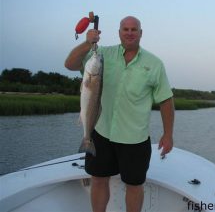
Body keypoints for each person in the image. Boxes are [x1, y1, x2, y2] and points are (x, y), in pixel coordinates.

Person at [65, 16, 174, 212]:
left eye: (134, 29)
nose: (129, 33)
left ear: (140, 33)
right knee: (98, 180)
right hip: (101, 131)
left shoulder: (155, 64)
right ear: (119, 33)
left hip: (135, 138)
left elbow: (166, 100)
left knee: (134, 186)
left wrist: (168, 134)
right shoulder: (101, 55)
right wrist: (87, 43)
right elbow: (70, 64)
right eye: (125, 29)